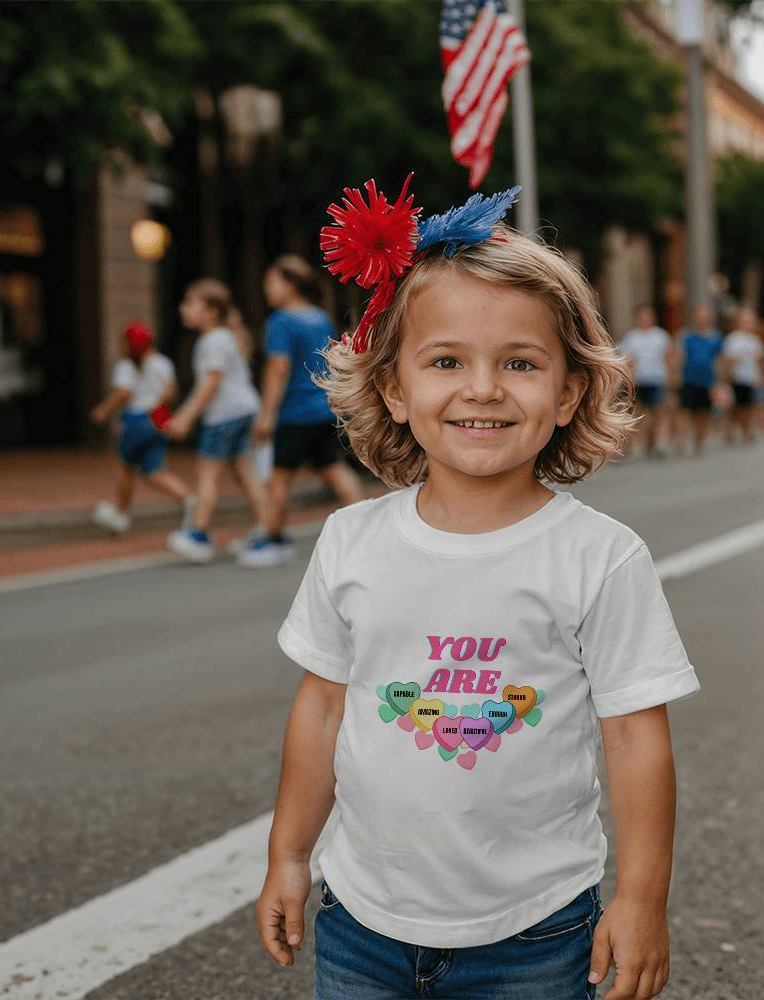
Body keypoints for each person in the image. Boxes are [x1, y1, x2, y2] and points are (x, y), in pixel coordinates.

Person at [256, 179, 700, 1000]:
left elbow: (637, 741)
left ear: (569, 392)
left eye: (521, 363)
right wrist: (289, 854)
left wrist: (640, 900)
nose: (484, 388)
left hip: (532, 930)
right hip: (361, 920)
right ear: (394, 386)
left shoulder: (599, 557)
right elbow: (322, 707)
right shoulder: (351, 540)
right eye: (447, 360)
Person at [238, 255, 366, 568]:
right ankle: (367, 531)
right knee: (335, 471)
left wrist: (267, 414)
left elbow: (278, 369)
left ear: (290, 285)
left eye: (272, 282)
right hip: (324, 408)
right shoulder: (319, 317)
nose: (267, 289)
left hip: (294, 414)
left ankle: (273, 538)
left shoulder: (281, 321)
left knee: (278, 479)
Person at [164, 279, 266, 562]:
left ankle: (198, 535)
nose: (183, 309)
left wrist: (184, 417)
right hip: (243, 410)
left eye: (189, 303)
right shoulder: (223, 337)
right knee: (244, 472)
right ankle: (266, 528)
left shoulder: (213, 340)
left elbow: (211, 383)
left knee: (207, 474)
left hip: (224, 415)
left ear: (210, 311)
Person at [90, 321, 192, 535]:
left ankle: (121, 513)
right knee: (154, 471)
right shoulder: (163, 362)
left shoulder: (127, 365)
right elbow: (170, 392)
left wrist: (103, 411)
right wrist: (160, 415)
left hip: (137, 419)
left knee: (126, 467)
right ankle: (190, 500)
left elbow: (123, 393)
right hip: (159, 417)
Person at [619, 304, 674, 459]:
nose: (644, 319)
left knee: (658, 412)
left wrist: (670, 376)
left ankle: (656, 442)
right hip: (639, 380)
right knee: (639, 414)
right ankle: (635, 443)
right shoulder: (631, 337)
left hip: (657, 379)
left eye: (647, 316)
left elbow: (669, 357)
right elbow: (626, 360)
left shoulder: (661, 336)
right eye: (642, 316)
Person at [673, 302, 723, 455]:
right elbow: (679, 355)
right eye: (700, 317)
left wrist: (720, 381)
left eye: (705, 317)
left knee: (704, 413)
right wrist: (675, 373)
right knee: (684, 411)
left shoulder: (715, 338)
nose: (702, 320)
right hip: (689, 379)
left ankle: (699, 441)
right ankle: (680, 441)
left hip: (707, 381)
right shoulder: (686, 336)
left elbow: (719, 360)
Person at [720, 306, 763, 444]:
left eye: (750, 321)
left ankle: (747, 432)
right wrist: (725, 377)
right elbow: (725, 360)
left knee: (748, 406)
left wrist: (760, 376)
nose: (748, 324)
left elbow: (758, 361)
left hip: (749, 379)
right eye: (745, 321)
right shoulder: (732, 339)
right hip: (736, 378)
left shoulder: (755, 341)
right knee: (734, 407)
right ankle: (730, 432)